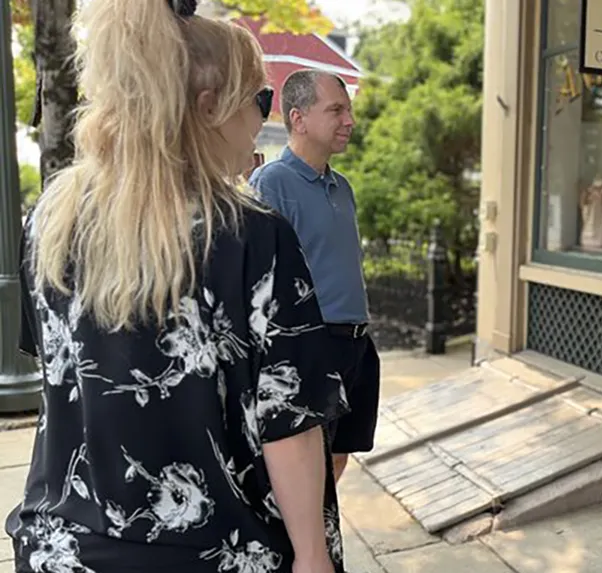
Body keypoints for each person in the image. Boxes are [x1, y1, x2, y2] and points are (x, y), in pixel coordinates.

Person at [5, 1, 349, 572]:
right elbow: (287, 424)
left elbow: (62, 383)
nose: (261, 119)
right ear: (209, 108)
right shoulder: (251, 236)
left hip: (64, 548)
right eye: (259, 100)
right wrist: (313, 556)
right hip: (217, 554)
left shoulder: (49, 221)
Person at [250, 70, 379, 484]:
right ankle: (301, 546)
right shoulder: (272, 183)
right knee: (305, 466)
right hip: (314, 345)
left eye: (349, 110)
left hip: (357, 344)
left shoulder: (342, 186)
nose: (349, 121)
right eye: (336, 110)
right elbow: (260, 279)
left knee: (340, 456)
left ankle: (319, 541)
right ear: (299, 118)